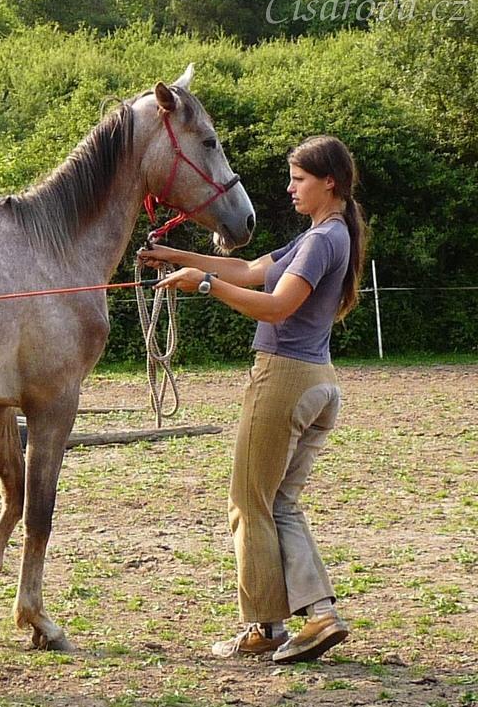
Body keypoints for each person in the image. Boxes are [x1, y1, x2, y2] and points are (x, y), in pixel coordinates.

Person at [138, 134, 368, 663]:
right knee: (278, 503)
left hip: (285, 378)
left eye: (299, 179)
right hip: (316, 380)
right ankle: (319, 614)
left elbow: (276, 306)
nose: (290, 188)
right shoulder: (322, 235)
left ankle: (265, 627)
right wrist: (173, 256)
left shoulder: (322, 241)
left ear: (329, 182)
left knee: (248, 502)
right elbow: (246, 270)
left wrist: (204, 286)